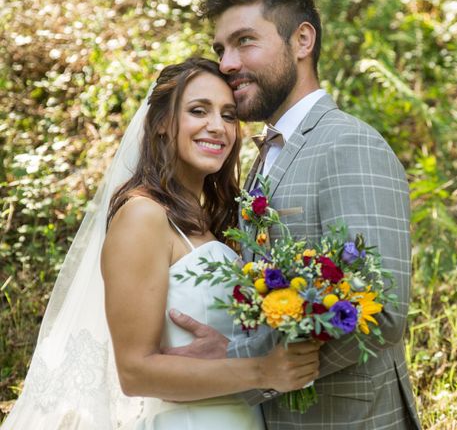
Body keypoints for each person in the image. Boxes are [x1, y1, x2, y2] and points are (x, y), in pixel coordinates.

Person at [1, 57, 320, 430]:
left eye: (229, 115)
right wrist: (262, 370)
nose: (217, 127)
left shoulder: (212, 221)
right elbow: (136, 372)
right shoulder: (143, 215)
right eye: (198, 110)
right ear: (163, 124)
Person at [168, 0, 421, 429]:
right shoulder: (266, 152)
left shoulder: (349, 144)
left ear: (302, 40)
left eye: (244, 41)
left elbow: (381, 310)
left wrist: (240, 365)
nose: (226, 63)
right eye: (220, 49)